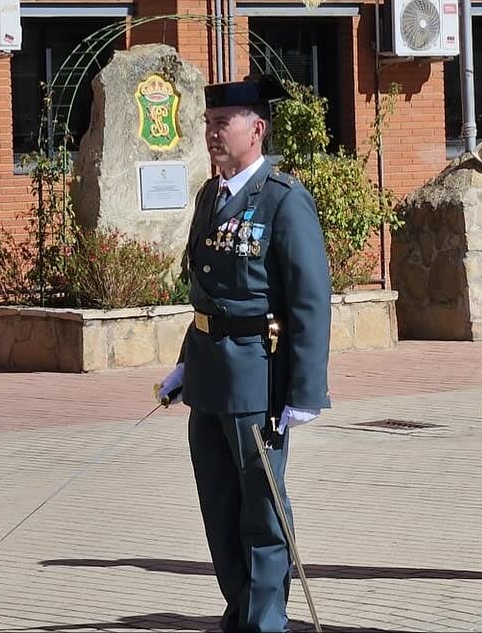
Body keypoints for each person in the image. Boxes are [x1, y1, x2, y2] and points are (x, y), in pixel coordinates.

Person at [157, 78, 332, 633]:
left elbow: (310, 301)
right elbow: (205, 292)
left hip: (258, 374)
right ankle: (239, 609)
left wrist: (305, 391)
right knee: (219, 504)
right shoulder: (212, 195)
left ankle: (266, 619)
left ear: (255, 130)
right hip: (210, 374)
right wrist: (187, 364)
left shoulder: (283, 200)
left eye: (222, 122)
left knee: (261, 505)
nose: (211, 132)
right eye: (208, 123)